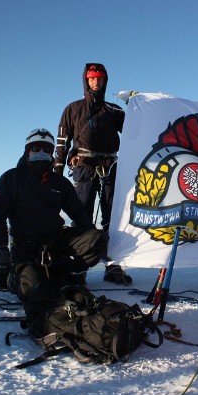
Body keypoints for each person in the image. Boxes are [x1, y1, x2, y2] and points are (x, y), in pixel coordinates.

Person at [0, 128, 108, 320]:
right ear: (27, 151)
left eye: (46, 149)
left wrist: (95, 242)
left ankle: (72, 274)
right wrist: (2, 250)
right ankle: (14, 278)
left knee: (96, 238)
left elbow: (80, 215)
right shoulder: (12, 179)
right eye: (36, 147)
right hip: (25, 249)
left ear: (52, 153)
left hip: (55, 244)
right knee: (35, 290)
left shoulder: (59, 183)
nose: (41, 152)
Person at [55, 63, 132, 285]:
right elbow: (63, 141)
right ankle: (78, 267)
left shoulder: (114, 111)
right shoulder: (73, 109)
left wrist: (135, 107)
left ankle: (113, 265)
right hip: (84, 166)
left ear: (105, 81)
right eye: (92, 78)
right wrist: (58, 168)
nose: (96, 82)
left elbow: (135, 131)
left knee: (113, 217)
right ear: (85, 81)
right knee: (81, 216)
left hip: (110, 164)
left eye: (99, 78)